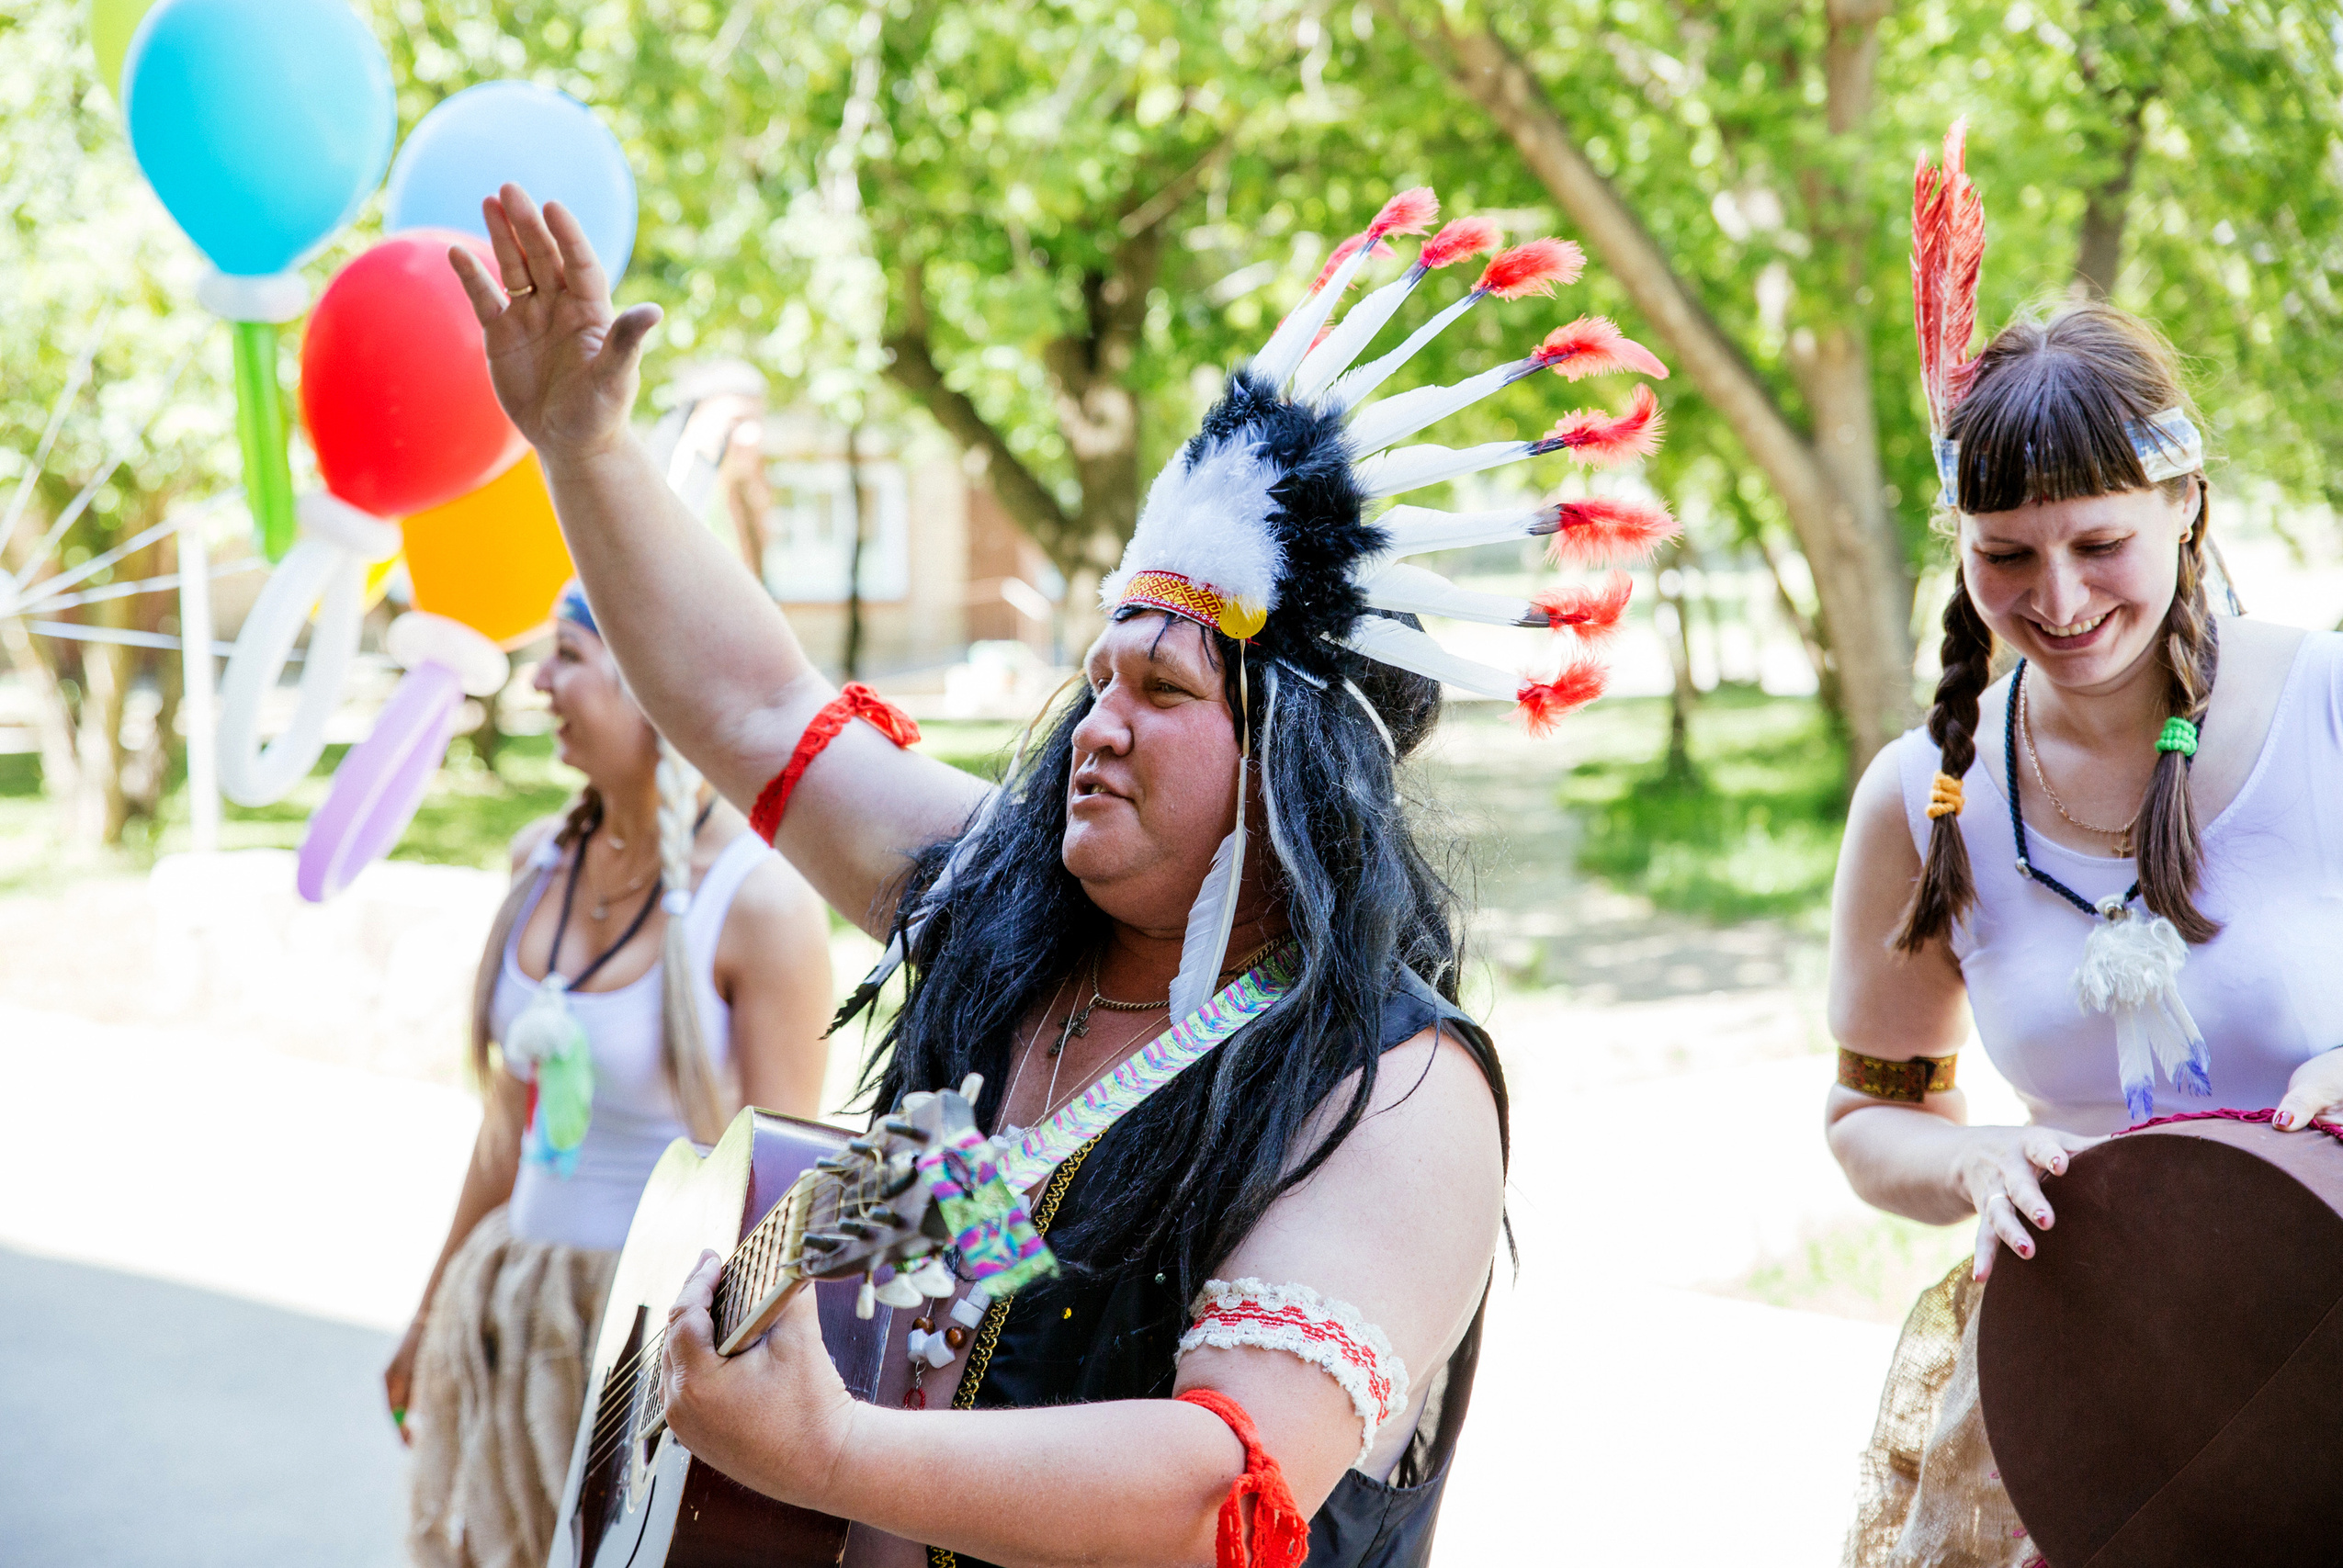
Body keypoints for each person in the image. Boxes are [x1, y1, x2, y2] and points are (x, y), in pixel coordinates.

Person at [449, 175, 1674, 1567]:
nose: (1097, 725)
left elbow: (1222, 1487)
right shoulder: (1005, 906)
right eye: (1097, 679)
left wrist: (830, 1453)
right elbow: (755, 707)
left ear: (1296, 759)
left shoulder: (1396, 1085)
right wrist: (585, 448)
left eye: (1165, 688)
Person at [1827, 126, 2343, 1567]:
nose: (2056, 601)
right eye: (2005, 554)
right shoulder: (1923, 799)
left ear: (2185, 504)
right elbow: (1869, 1111)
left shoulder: (2332, 710)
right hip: (2092, 1425)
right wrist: (1974, 1157)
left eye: (2098, 542)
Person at [384, 583, 834, 1568]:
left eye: (567, 657)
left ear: (653, 682)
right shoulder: (537, 860)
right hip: (513, 1310)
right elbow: (506, 1128)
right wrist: (429, 1311)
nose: (537, 682)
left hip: (641, 1349)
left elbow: (778, 1191)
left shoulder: (757, 901)